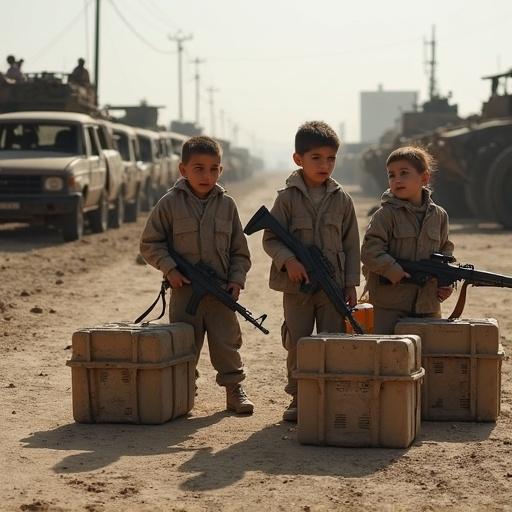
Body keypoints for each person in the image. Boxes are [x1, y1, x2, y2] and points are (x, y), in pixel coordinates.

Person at [140, 135, 254, 414]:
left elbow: (240, 251)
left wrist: (236, 280)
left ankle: (234, 390)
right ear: (183, 170)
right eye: (199, 168)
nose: (207, 175)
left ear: (221, 170)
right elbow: (149, 244)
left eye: (214, 169)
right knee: (184, 346)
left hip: (220, 293)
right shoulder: (169, 204)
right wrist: (171, 269)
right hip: (185, 291)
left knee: (227, 343)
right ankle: (183, 392)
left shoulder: (227, 205)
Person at [262, 121, 360, 422]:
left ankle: (326, 394)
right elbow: (270, 238)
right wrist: (289, 261)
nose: (324, 165)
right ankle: (298, 397)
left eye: (330, 158)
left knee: (331, 340)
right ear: (298, 159)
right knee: (298, 341)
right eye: (316, 158)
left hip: (331, 286)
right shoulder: (287, 198)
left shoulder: (342, 199)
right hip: (298, 288)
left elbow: (351, 245)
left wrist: (351, 283)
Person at [361, 146, 454, 335]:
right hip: (389, 305)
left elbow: (446, 252)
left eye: (404, 173)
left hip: (428, 305)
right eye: (392, 175)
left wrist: (446, 282)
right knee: (388, 356)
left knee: (429, 356)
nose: (397, 180)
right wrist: (390, 269)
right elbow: (370, 251)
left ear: (424, 178)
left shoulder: (439, 216)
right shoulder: (385, 215)